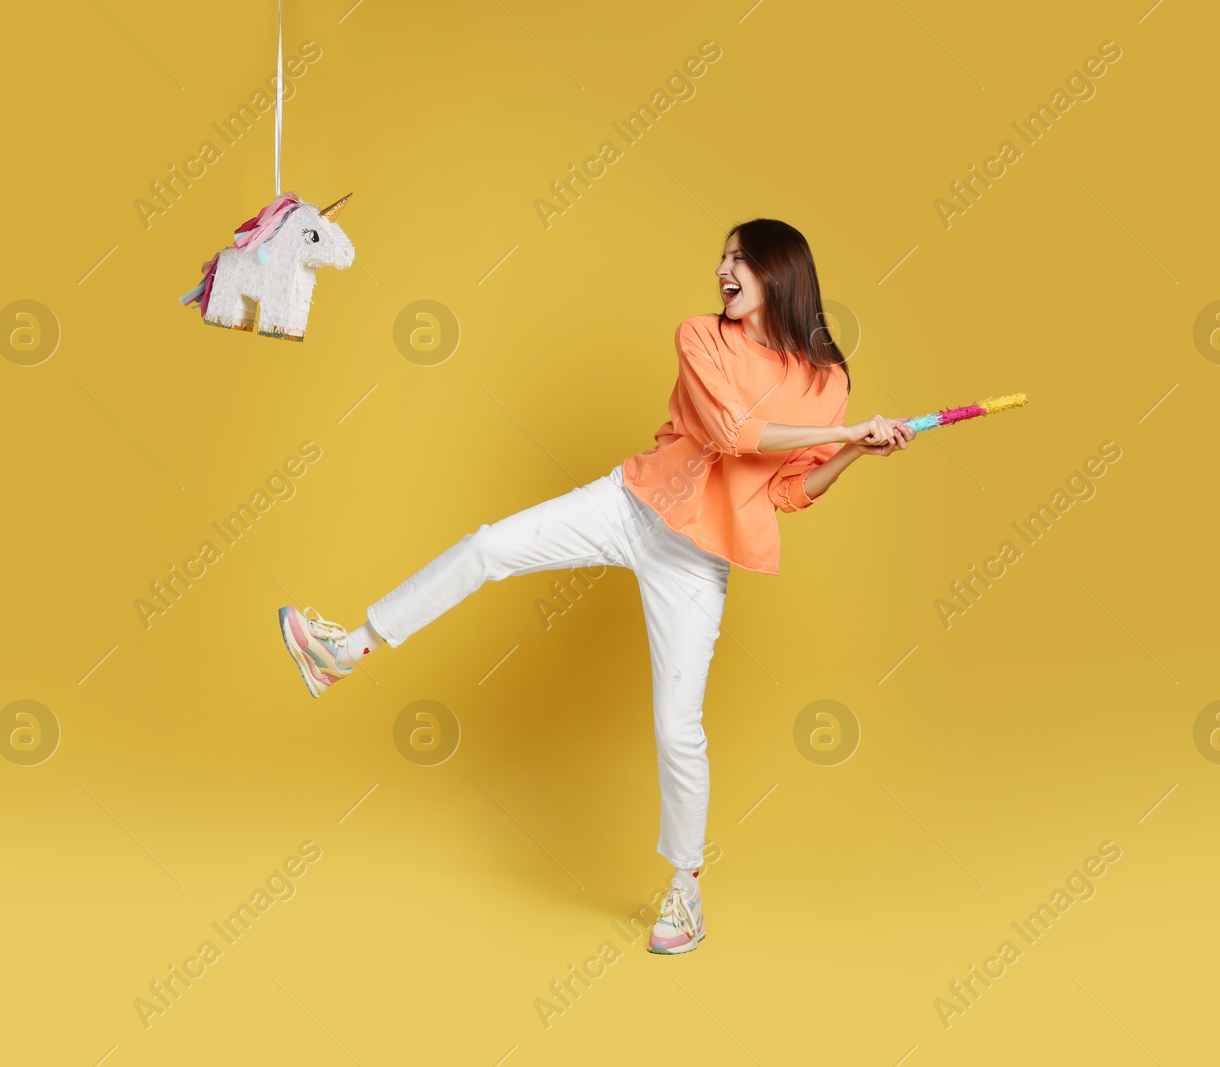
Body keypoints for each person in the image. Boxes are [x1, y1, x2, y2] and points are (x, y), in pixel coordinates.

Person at [277, 218, 915, 954]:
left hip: (697, 555)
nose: (721, 269)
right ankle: (346, 648)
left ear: (781, 270)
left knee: (679, 727)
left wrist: (856, 449)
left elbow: (791, 493)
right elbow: (734, 431)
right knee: (489, 546)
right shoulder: (699, 336)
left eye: (739, 259)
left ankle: (686, 888)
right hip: (629, 504)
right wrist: (838, 433)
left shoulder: (828, 382)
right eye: (722, 257)